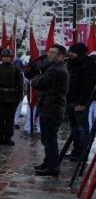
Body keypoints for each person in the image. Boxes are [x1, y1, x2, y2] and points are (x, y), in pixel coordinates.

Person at [30, 44, 70, 176]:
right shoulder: (54, 68)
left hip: (52, 108)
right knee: (47, 138)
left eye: (53, 53)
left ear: (61, 56)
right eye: (49, 52)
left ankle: (53, 167)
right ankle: (48, 162)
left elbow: (38, 83)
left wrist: (36, 78)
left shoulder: (56, 70)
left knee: (50, 138)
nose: (49, 55)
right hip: (48, 106)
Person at [65, 42, 96, 162]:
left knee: (82, 128)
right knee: (74, 129)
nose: (70, 54)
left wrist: (83, 103)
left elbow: (88, 85)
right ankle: (76, 151)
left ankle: (83, 154)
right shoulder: (71, 63)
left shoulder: (87, 64)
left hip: (80, 102)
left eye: (72, 52)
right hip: (70, 99)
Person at [0, 48, 23, 146]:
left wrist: (19, 96)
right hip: (0, 96)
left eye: (8, 57)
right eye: (4, 57)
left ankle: (8, 137)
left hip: (11, 97)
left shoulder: (16, 69)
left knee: (9, 118)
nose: (6, 59)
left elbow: (19, 84)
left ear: (11, 58)